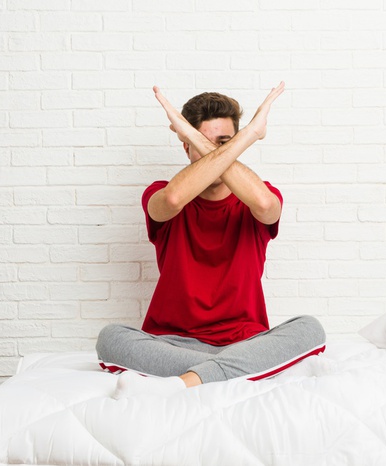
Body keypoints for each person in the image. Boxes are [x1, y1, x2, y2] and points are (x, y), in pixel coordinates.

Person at [95, 82, 326, 399]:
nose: (214, 150)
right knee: (111, 338)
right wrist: (250, 135)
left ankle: (186, 381)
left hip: (246, 341)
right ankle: (236, 369)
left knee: (309, 329)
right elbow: (174, 199)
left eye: (225, 143)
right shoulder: (160, 191)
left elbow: (264, 205)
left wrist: (203, 137)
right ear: (186, 146)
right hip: (171, 342)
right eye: (201, 142)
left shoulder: (259, 193)